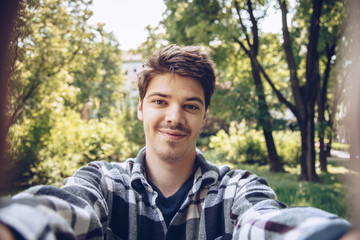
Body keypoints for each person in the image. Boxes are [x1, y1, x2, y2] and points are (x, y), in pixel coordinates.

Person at [0, 45, 353, 239]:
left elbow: (265, 222)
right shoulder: (103, 182)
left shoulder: (236, 189)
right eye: (160, 101)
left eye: (190, 106)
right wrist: (16, 224)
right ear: (140, 108)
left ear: (203, 116)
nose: (174, 117)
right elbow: (62, 207)